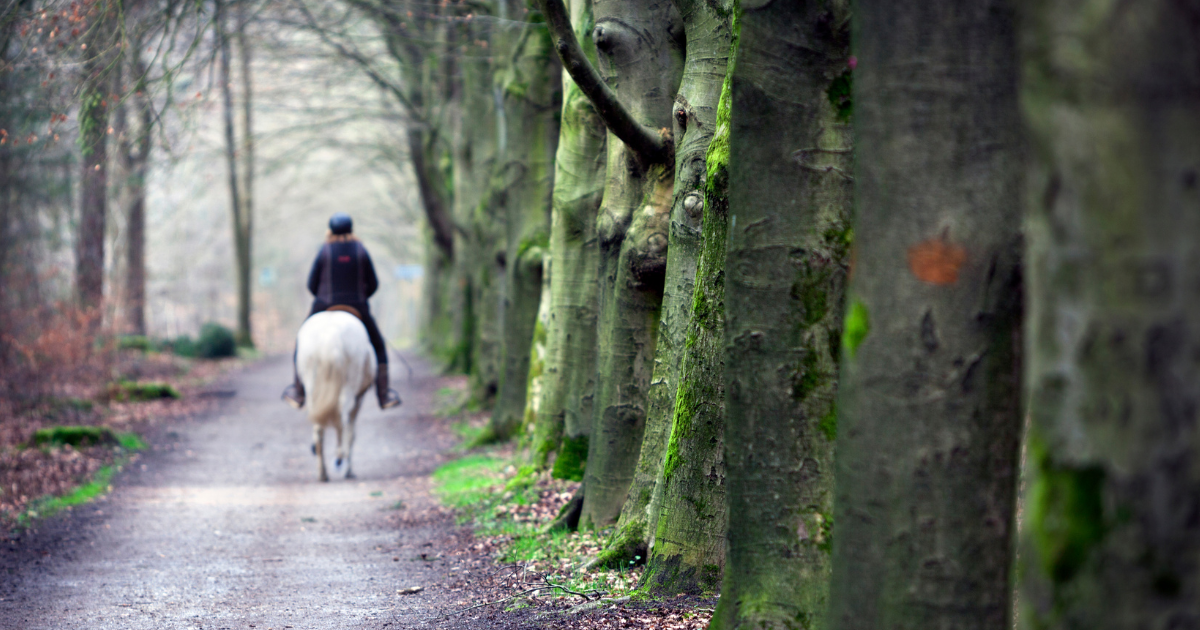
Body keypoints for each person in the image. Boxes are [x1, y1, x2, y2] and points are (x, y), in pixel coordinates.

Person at [282, 213, 402, 409]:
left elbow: (311, 284)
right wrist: (361, 297)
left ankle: (298, 391)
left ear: (330, 230)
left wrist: (323, 296)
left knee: (301, 341)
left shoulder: (324, 250)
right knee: (379, 345)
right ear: (351, 229)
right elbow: (374, 284)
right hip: (357, 306)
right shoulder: (361, 250)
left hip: (324, 304)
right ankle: (384, 395)